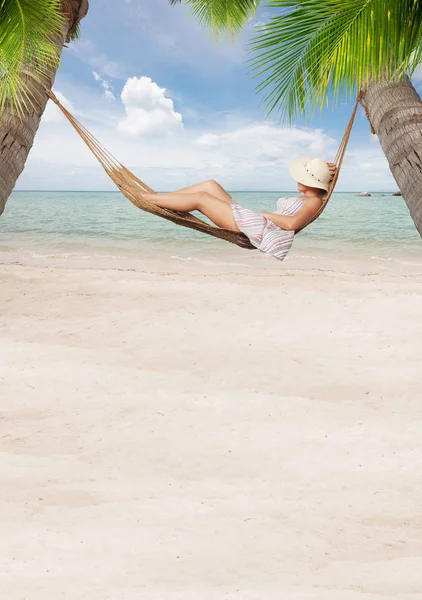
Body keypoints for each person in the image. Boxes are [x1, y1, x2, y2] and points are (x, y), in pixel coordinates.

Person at [141, 157, 337, 261]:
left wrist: (265, 214)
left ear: (310, 182)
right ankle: (163, 198)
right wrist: (326, 171)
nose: (297, 179)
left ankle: (146, 198)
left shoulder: (314, 202)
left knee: (202, 198)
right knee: (210, 185)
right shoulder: (305, 197)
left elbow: (292, 223)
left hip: (258, 229)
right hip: (256, 223)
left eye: (302, 176)